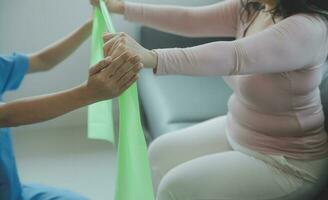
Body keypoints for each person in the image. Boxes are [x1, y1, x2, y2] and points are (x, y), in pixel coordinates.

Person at [93, 0, 328, 199]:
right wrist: (120, 6)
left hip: (287, 162)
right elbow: (189, 19)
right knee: (159, 153)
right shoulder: (256, 7)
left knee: (175, 187)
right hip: (240, 131)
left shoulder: (308, 29)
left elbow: (236, 56)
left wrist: (153, 57)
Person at [0, 4, 142, 200]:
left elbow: (43, 60)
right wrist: (88, 93)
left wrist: (91, 25)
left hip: (15, 192)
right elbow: (6, 115)